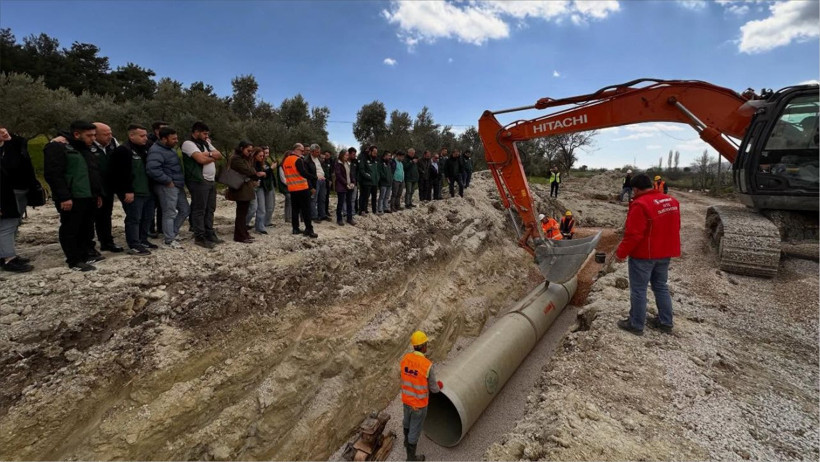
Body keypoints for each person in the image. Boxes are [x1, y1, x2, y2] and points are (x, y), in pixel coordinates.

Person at [615, 173, 681, 335]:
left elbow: (633, 235)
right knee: (660, 286)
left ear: (636, 189)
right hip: (665, 252)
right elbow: (676, 226)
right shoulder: (671, 201)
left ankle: (636, 324)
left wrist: (620, 253)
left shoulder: (640, 204)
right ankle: (666, 322)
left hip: (644, 255)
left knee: (638, 289)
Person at [44, 121, 104, 271]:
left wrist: (97, 194)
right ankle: (74, 260)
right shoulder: (58, 147)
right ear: (77, 134)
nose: (93, 139)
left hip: (88, 195)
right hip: (72, 196)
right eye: (89, 135)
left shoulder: (86, 149)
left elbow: (93, 173)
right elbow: (54, 175)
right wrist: (64, 197)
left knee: (87, 228)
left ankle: (86, 254)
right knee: (71, 229)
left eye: (94, 135)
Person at [109, 124, 156, 256]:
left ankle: (143, 239)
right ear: (131, 136)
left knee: (148, 217)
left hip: (148, 190)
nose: (145, 138)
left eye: (146, 135)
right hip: (133, 192)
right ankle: (134, 244)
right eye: (142, 136)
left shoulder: (146, 148)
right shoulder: (123, 150)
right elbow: (120, 174)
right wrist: (126, 191)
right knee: (134, 218)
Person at [400, 330, 442, 462]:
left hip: (406, 401)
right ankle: (411, 458)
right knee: (415, 431)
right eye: (426, 344)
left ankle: (406, 443)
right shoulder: (426, 365)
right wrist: (440, 385)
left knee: (406, 422)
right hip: (419, 405)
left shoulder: (405, 359)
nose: (427, 346)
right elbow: (434, 389)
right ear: (423, 346)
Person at [181, 121, 223, 249]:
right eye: (204, 133)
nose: (206, 136)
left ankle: (209, 232)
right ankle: (199, 235)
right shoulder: (188, 144)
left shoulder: (206, 143)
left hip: (210, 181)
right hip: (198, 180)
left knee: (210, 208)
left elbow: (219, 155)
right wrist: (211, 155)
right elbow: (200, 159)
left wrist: (208, 154)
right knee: (200, 209)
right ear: (196, 132)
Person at [146, 127, 190, 249]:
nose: (176, 140)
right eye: (173, 138)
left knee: (185, 209)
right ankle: (169, 239)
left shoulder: (169, 149)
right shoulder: (156, 151)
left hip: (177, 185)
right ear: (164, 139)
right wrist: (167, 181)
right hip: (167, 187)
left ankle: (173, 233)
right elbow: (152, 169)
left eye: (177, 138)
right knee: (169, 212)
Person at [0, 126, 36, 272]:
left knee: (12, 224)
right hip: (6, 195)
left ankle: (6, 255)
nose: (4, 133)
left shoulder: (11, 146)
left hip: (14, 192)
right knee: (7, 226)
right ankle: (9, 259)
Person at [90, 122, 123, 253]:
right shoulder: (88, 146)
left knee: (106, 215)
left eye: (110, 133)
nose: (110, 136)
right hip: (93, 187)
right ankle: (88, 246)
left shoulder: (113, 143)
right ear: (95, 135)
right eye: (106, 134)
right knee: (91, 217)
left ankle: (107, 242)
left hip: (109, 186)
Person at [226, 142, 263, 243]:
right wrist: (254, 173)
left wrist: (253, 172)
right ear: (242, 148)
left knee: (243, 212)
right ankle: (239, 235)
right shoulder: (236, 159)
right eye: (248, 151)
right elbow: (248, 170)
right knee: (241, 213)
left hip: (245, 187)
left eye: (251, 151)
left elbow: (250, 170)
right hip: (240, 188)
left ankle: (244, 233)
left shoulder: (243, 158)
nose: (250, 153)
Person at [282, 143, 317, 238]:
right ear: (296, 149)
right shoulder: (297, 160)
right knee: (306, 210)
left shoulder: (286, 160)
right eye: (302, 151)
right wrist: (314, 177)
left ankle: (295, 228)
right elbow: (303, 173)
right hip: (302, 188)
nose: (303, 153)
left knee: (295, 210)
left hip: (292, 189)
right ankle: (309, 229)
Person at [146, 121, 168, 238]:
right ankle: (150, 229)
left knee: (162, 205)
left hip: (162, 179)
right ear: (156, 130)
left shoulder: (163, 142)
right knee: (151, 205)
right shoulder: (150, 143)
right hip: (152, 179)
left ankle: (161, 228)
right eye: (163, 129)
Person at [246, 147, 273, 234]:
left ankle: (260, 226)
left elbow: (268, 174)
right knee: (253, 208)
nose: (262, 157)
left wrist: (264, 173)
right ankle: (244, 223)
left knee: (262, 208)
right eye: (260, 156)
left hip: (260, 187)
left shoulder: (263, 163)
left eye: (263, 155)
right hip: (251, 187)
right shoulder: (250, 164)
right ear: (255, 155)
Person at [334, 149, 356, 226]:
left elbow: (351, 174)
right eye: (346, 155)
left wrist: (353, 182)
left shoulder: (347, 163)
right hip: (341, 186)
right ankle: (339, 219)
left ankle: (349, 218)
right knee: (340, 203)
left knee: (349, 202)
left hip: (349, 186)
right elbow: (339, 176)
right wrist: (346, 183)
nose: (347, 156)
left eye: (347, 155)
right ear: (342, 155)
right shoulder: (337, 163)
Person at [307, 144, 328, 221]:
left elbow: (322, 168)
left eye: (319, 152)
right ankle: (314, 216)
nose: (318, 153)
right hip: (315, 181)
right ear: (311, 152)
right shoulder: (307, 160)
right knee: (314, 199)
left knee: (322, 198)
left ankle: (322, 214)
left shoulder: (319, 159)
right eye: (316, 152)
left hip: (323, 180)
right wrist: (311, 186)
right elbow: (307, 174)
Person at [358, 145, 380, 215]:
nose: (375, 154)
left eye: (376, 153)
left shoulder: (376, 159)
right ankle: (363, 210)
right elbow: (361, 170)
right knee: (365, 197)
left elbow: (378, 170)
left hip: (375, 182)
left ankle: (374, 210)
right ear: (370, 151)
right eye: (374, 152)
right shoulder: (364, 158)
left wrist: (377, 177)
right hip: (367, 182)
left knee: (374, 197)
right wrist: (367, 176)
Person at [278, 153, 292, 223]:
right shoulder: (281, 166)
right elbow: (282, 179)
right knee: (289, 199)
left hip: (291, 185)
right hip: (286, 186)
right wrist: (291, 184)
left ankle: (290, 216)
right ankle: (287, 217)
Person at [322, 150, 333, 218]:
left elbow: (331, 173)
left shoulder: (331, 162)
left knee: (326, 197)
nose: (326, 157)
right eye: (325, 155)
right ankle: (322, 211)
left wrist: (330, 180)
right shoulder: (321, 161)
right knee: (322, 198)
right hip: (322, 181)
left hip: (328, 182)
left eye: (328, 155)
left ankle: (326, 211)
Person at [347, 147, 359, 214]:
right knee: (346, 199)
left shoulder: (356, 162)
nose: (354, 156)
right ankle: (345, 212)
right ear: (349, 154)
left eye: (355, 154)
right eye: (353, 154)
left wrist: (355, 181)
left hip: (354, 183)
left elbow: (358, 172)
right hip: (347, 183)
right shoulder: (345, 161)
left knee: (353, 199)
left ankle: (352, 211)